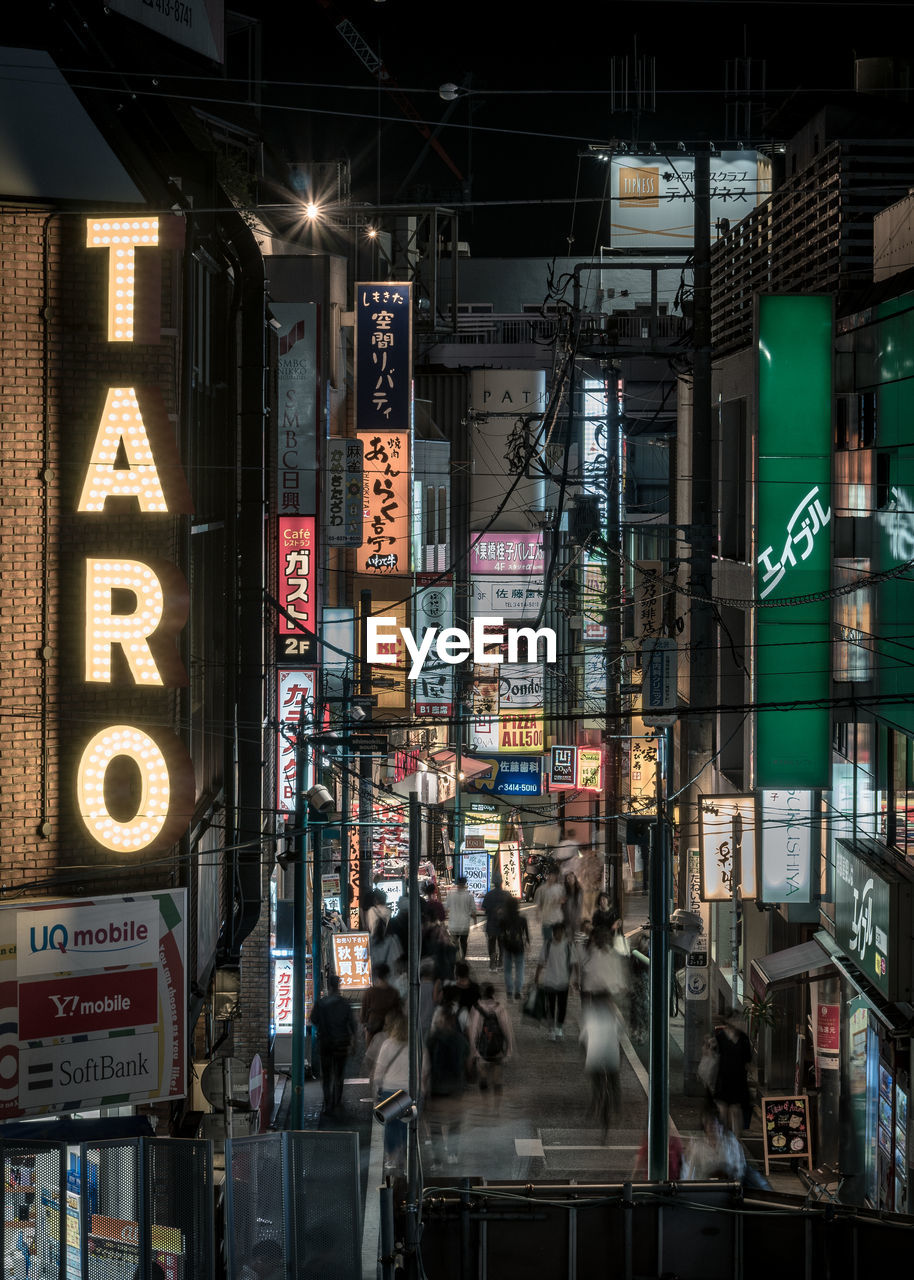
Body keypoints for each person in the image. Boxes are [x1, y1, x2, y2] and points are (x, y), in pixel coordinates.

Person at [423, 1005, 470, 1169]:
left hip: (436, 1087)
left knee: (435, 1125)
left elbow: (426, 1065)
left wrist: (424, 1085)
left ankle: (438, 1161)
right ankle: (452, 1154)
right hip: (456, 1087)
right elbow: (467, 1062)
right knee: (454, 1122)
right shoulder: (460, 1040)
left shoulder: (432, 1039)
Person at [309, 972, 356, 1114]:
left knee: (327, 1074)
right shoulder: (345, 1003)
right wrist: (353, 1042)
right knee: (339, 1074)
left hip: (325, 1043)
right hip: (341, 1043)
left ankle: (328, 1102)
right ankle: (337, 1101)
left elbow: (313, 1019)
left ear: (328, 986)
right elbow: (352, 1025)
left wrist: (323, 1027)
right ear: (338, 986)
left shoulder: (321, 1003)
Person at [372, 1009, 410, 1172]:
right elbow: (422, 1069)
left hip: (389, 1090)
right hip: (406, 1090)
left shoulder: (387, 1044)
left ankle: (391, 1158)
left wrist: (375, 1091)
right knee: (405, 1125)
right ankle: (403, 1157)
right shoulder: (412, 1045)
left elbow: (379, 1071)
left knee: (390, 1126)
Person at [579, 994, 622, 1138]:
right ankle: (617, 1105)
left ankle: (594, 1105)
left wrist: (585, 1053)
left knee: (596, 1084)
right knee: (614, 1080)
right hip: (611, 1055)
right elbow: (620, 1033)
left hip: (595, 1056)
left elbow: (582, 1038)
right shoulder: (614, 1014)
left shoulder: (590, 1014)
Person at [466, 984, 514, 1109]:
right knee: (497, 1081)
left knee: (483, 1080)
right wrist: (509, 1049)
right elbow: (507, 1030)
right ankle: (496, 1108)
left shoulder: (476, 1008)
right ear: (493, 994)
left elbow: (473, 1031)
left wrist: (473, 1051)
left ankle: (486, 1105)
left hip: (482, 1052)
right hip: (497, 1051)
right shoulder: (500, 1008)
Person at [535, 920, 576, 1040]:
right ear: (553, 932)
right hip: (550, 982)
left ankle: (559, 1028)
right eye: (556, 932)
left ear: (564, 933)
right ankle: (552, 1030)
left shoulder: (568, 945)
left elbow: (574, 963)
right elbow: (541, 962)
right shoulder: (547, 944)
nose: (559, 934)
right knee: (551, 1007)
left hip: (564, 981)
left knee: (562, 1007)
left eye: (561, 932)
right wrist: (536, 977)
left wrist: (573, 979)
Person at [713, 1011, 753, 1134]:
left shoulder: (743, 1038)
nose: (738, 1022)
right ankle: (722, 1137)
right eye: (735, 1019)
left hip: (739, 1079)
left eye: (739, 1019)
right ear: (728, 1021)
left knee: (736, 1110)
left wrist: (752, 1076)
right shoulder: (719, 1037)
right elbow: (713, 1057)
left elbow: (748, 1060)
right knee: (723, 1110)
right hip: (723, 1079)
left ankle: (736, 1140)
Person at [682, 1106, 747, 1181]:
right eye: (708, 1125)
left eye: (713, 1124)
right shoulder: (698, 1146)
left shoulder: (731, 1143)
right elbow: (689, 1171)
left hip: (727, 1186)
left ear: (721, 1126)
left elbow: (740, 1166)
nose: (711, 1127)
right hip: (706, 1187)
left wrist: (735, 1178)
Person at [577, 926, 629, 1006]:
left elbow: (588, 969)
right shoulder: (598, 952)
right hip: (601, 989)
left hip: (601, 989)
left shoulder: (602, 953)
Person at [360, 963, 402, 1048]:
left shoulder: (370, 992)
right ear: (388, 975)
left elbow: (363, 1014)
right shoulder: (394, 992)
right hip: (390, 1029)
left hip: (373, 1029)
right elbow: (398, 1012)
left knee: (372, 1054)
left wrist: (364, 1023)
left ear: (376, 976)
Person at [500, 896, 529, 999]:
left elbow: (501, 933)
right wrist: (528, 944)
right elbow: (526, 934)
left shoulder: (503, 918)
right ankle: (518, 991)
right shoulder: (522, 918)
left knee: (507, 969)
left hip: (507, 946)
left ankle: (509, 990)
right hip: (519, 946)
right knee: (519, 969)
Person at [481, 872, 511, 970]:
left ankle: (492, 962)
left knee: (491, 943)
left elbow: (484, 909)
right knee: (502, 943)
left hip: (491, 924)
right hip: (503, 925)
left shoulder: (488, 895)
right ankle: (501, 961)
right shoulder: (507, 895)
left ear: (493, 882)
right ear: (502, 882)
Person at [440, 959, 481, 1028]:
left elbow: (441, 1004)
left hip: (454, 1025)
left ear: (456, 974)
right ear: (468, 974)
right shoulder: (475, 988)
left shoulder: (448, 988)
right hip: (472, 1024)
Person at [445, 876, 478, 959]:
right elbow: (473, 910)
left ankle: (456, 958)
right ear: (465, 884)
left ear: (457, 883)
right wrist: (475, 922)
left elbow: (446, 908)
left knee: (454, 943)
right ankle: (463, 958)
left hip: (453, 924)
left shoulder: (451, 894)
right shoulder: (469, 896)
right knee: (464, 942)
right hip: (464, 925)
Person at [534, 865, 565, 945]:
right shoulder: (541, 889)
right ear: (547, 875)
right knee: (547, 942)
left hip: (558, 920)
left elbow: (563, 900)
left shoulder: (560, 888)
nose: (552, 877)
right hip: (546, 920)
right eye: (550, 875)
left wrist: (560, 901)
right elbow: (538, 905)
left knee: (558, 943)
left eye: (554, 876)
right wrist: (537, 915)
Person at [562, 872, 583, 937]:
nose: (570, 879)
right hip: (566, 918)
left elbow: (580, 905)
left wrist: (579, 917)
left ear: (575, 879)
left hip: (576, 918)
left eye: (572, 877)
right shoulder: (564, 890)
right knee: (567, 937)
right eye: (568, 878)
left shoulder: (579, 890)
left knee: (576, 937)